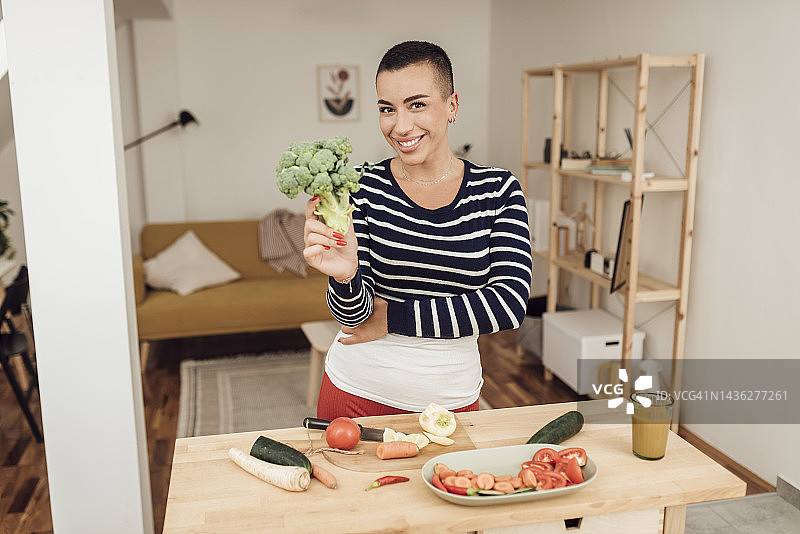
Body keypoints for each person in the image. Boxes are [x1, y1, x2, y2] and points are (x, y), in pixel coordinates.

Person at [303, 41, 532, 419]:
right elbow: (354, 319)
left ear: (452, 106)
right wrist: (344, 276)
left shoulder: (498, 190)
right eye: (387, 109)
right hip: (354, 392)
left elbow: (507, 304)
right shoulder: (361, 188)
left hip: (451, 401)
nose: (400, 125)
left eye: (417, 104)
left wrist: (392, 317)